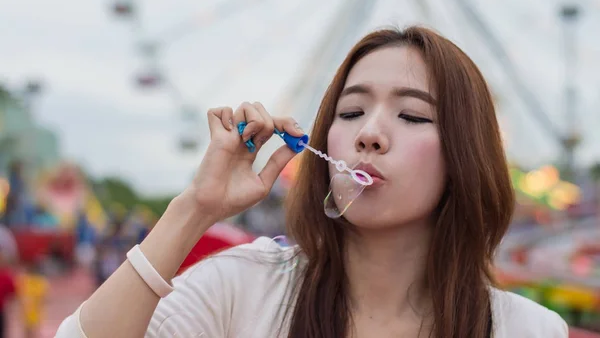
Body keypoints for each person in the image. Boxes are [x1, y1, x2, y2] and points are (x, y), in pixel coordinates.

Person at [56, 26, 568, 337]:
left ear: (466, 155)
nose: (369, 134)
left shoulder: (526, 329)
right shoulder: (239, 290)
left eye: (412, 116)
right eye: (351, 112)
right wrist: (197, 207)